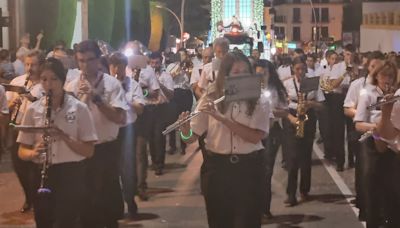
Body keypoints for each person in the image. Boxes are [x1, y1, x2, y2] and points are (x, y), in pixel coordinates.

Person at [179, 51, 271, 228]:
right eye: (236, 73)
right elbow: (191, 137)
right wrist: (184, 130)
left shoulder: (259, 98)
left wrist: (222, 119)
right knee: (218, 221)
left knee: (249, 221)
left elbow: (255, 137)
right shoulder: (211, 96)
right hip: (217, 168)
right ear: (225, 74)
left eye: (245, 72)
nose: (241, 77)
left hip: (248, 168)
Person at [17, 57, 98, 228]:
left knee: (66, 221)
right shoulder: (33, 109)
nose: (49, 84)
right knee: (43, 221)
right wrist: (33, 153)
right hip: (42, 173)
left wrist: (63, 136)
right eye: (44, 79)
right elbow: (22, 151)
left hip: (70, 173)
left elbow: (89, 151)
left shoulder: (79, 108)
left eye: (54, 79)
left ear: (63, 80)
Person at [65, 40, 128, 228]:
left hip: (106, 148)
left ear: (98, 60)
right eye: (81, 61)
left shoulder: (112, 84)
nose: (85, 65)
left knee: (106, 198)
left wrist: (97, 99)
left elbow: (119, 118)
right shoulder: (71, 87)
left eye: (90, 60)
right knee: (85, 201)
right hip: (82, 150)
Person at [354, 61, 399, 228]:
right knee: (372, 181)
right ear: (377, 76)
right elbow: (358, 124)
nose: (387, 80)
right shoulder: (367, 94)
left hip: (392, 144)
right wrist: (376, 128)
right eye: (384, 75)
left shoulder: (395, 94)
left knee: (391, 186)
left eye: (391, 76)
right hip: (373, 141)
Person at [6, 50, 46, 213]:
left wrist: (31, 99)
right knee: (19, 166)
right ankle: (29, 197)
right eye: (27, 64)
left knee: (35, 169)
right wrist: (12, 104)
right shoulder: (18, 81)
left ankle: (36, 199)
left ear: (41, 65)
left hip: (36, 129)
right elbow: (5, 108)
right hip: (17, 126)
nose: (30, 68)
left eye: (34, 64)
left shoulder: (46, 83)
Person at [282, 57, 324, 206]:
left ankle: (304, 190)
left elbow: (322, 105)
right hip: (292, 118)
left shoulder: (313, 83)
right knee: (292, 157)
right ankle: (291, 194)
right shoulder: (287, 83)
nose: (300, 72)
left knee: (306, 156)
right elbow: (281, 104)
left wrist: (310, 103)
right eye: (297, 69)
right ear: (293, 69)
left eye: (303, 69)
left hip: (308, 117)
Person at [109, 52, 145, 218]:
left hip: (127, 130)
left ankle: (130, 199)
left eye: (120, 66)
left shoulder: (133, 85)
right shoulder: (106, 84)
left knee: (128, 168)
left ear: (125, 67)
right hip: (110, 131)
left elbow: (140, 108)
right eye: (114, 65)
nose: (117, 69)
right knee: (111, 169)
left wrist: (123, 97)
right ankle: (115, 206)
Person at [255, 59, 288, 219]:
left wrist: (271, 112)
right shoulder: (249, 89)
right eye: (258, 74)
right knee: (254, 171)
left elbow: (284, 111)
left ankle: (264, 207)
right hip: (253, 134)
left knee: (267, 170)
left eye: (264, 74)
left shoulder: (276, 90)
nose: (261, 77)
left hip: (271, 132)